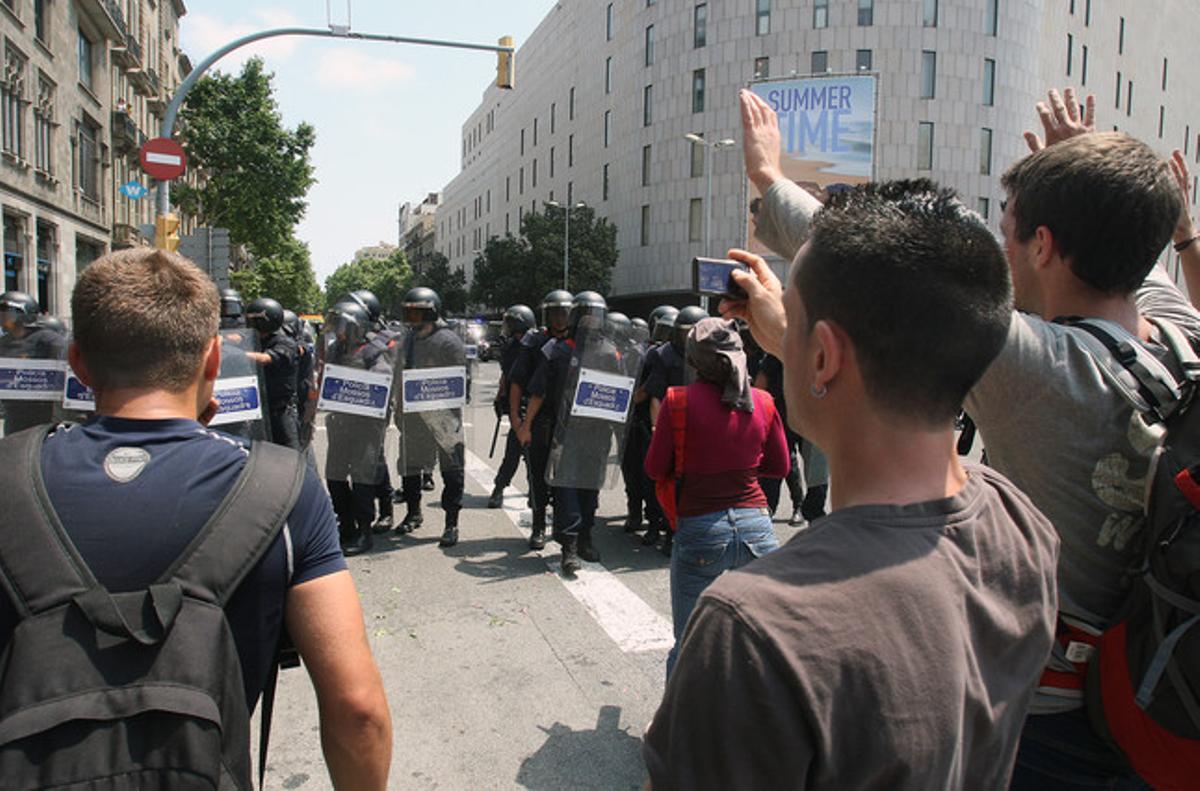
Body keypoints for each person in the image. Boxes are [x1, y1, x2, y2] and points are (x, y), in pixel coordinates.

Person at [737, 85, 1200, 789]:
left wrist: (770, 180)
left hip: (1054, 720)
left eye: (1007, 232)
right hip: (1156, 686)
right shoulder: (1180, 330)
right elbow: (1126, 220)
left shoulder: (1045, 372)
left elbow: (892, 266)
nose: (998, 255)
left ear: (1043, 246)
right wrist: (1081, 165)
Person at [646, 177, 1061, 788]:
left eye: (795, 318)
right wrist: (799, 337)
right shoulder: (1020, 522)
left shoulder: (754, 630)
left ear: (823, 357)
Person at [0, 248, 391, 788]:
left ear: (78, 364)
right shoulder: (283, 486)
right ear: (213, 361)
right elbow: (358, 710)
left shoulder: (8, 476)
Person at [644, 317, 789, 678]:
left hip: (701, 529)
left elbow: (654, 467)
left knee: (690, 639)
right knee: (761, 638)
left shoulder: (678, 401)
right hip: (757, 527)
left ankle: (677, 729)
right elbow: (780, 466)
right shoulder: (764, 402)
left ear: (694, 360)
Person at [523, 292, 622, 574]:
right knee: (565, 489)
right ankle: (570, 547)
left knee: (590, 487)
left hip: (597, 433)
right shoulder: (556, 350)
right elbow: (539, 391)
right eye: (586, 314)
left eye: (596, 314)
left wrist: (619, 430)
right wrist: (525, 425)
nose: (591, 320)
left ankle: (587, 536)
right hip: (564, 432)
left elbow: (618, 394)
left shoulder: (610, 351)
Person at [395, 287, 466, 549]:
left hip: (445, 416)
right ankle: (413, 512)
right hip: (414, 416)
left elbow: (461, 378)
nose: (412, 317)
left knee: (452, 470)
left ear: (431, 311)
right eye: (409, 312)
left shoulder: (448, 340)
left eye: (417, 312)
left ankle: (451, 522)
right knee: (410, 467)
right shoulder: (408, 340)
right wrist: (399, 406)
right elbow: (399, 374)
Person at [642, 305, 707, 554]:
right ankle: (669, 532)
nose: (689, 339)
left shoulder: (711, 353)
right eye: (684, 333)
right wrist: (659, 429)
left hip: (702, 424)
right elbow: (656, 395)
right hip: (673, 422)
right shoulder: (664, 355)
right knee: (669, 481)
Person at [513, 290, 573, 550]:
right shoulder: (534, 342)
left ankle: (566, 536)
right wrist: (518, 421)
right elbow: (517, 381)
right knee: (537, 477)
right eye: (555, 312)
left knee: (565, 481)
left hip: (569, 422)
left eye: (565, 312)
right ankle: (538, 525)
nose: (560, 318)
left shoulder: (578, 342)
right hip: (540, 420)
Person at [489, 303, 536, 508]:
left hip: (535, 404)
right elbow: (506, 375)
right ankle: (499, 487)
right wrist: (501, 397)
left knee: (533, 456)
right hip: (517, 406)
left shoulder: (537, 345)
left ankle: (535, 494)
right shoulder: (511, 347)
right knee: (513, 452)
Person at [244, 297, 301, 450]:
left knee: (290, 454)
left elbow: (265, 358)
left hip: (280, 411)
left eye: (257, 320)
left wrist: (237, 353)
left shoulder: (285, 343)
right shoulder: (250, 341)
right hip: (256, 408)